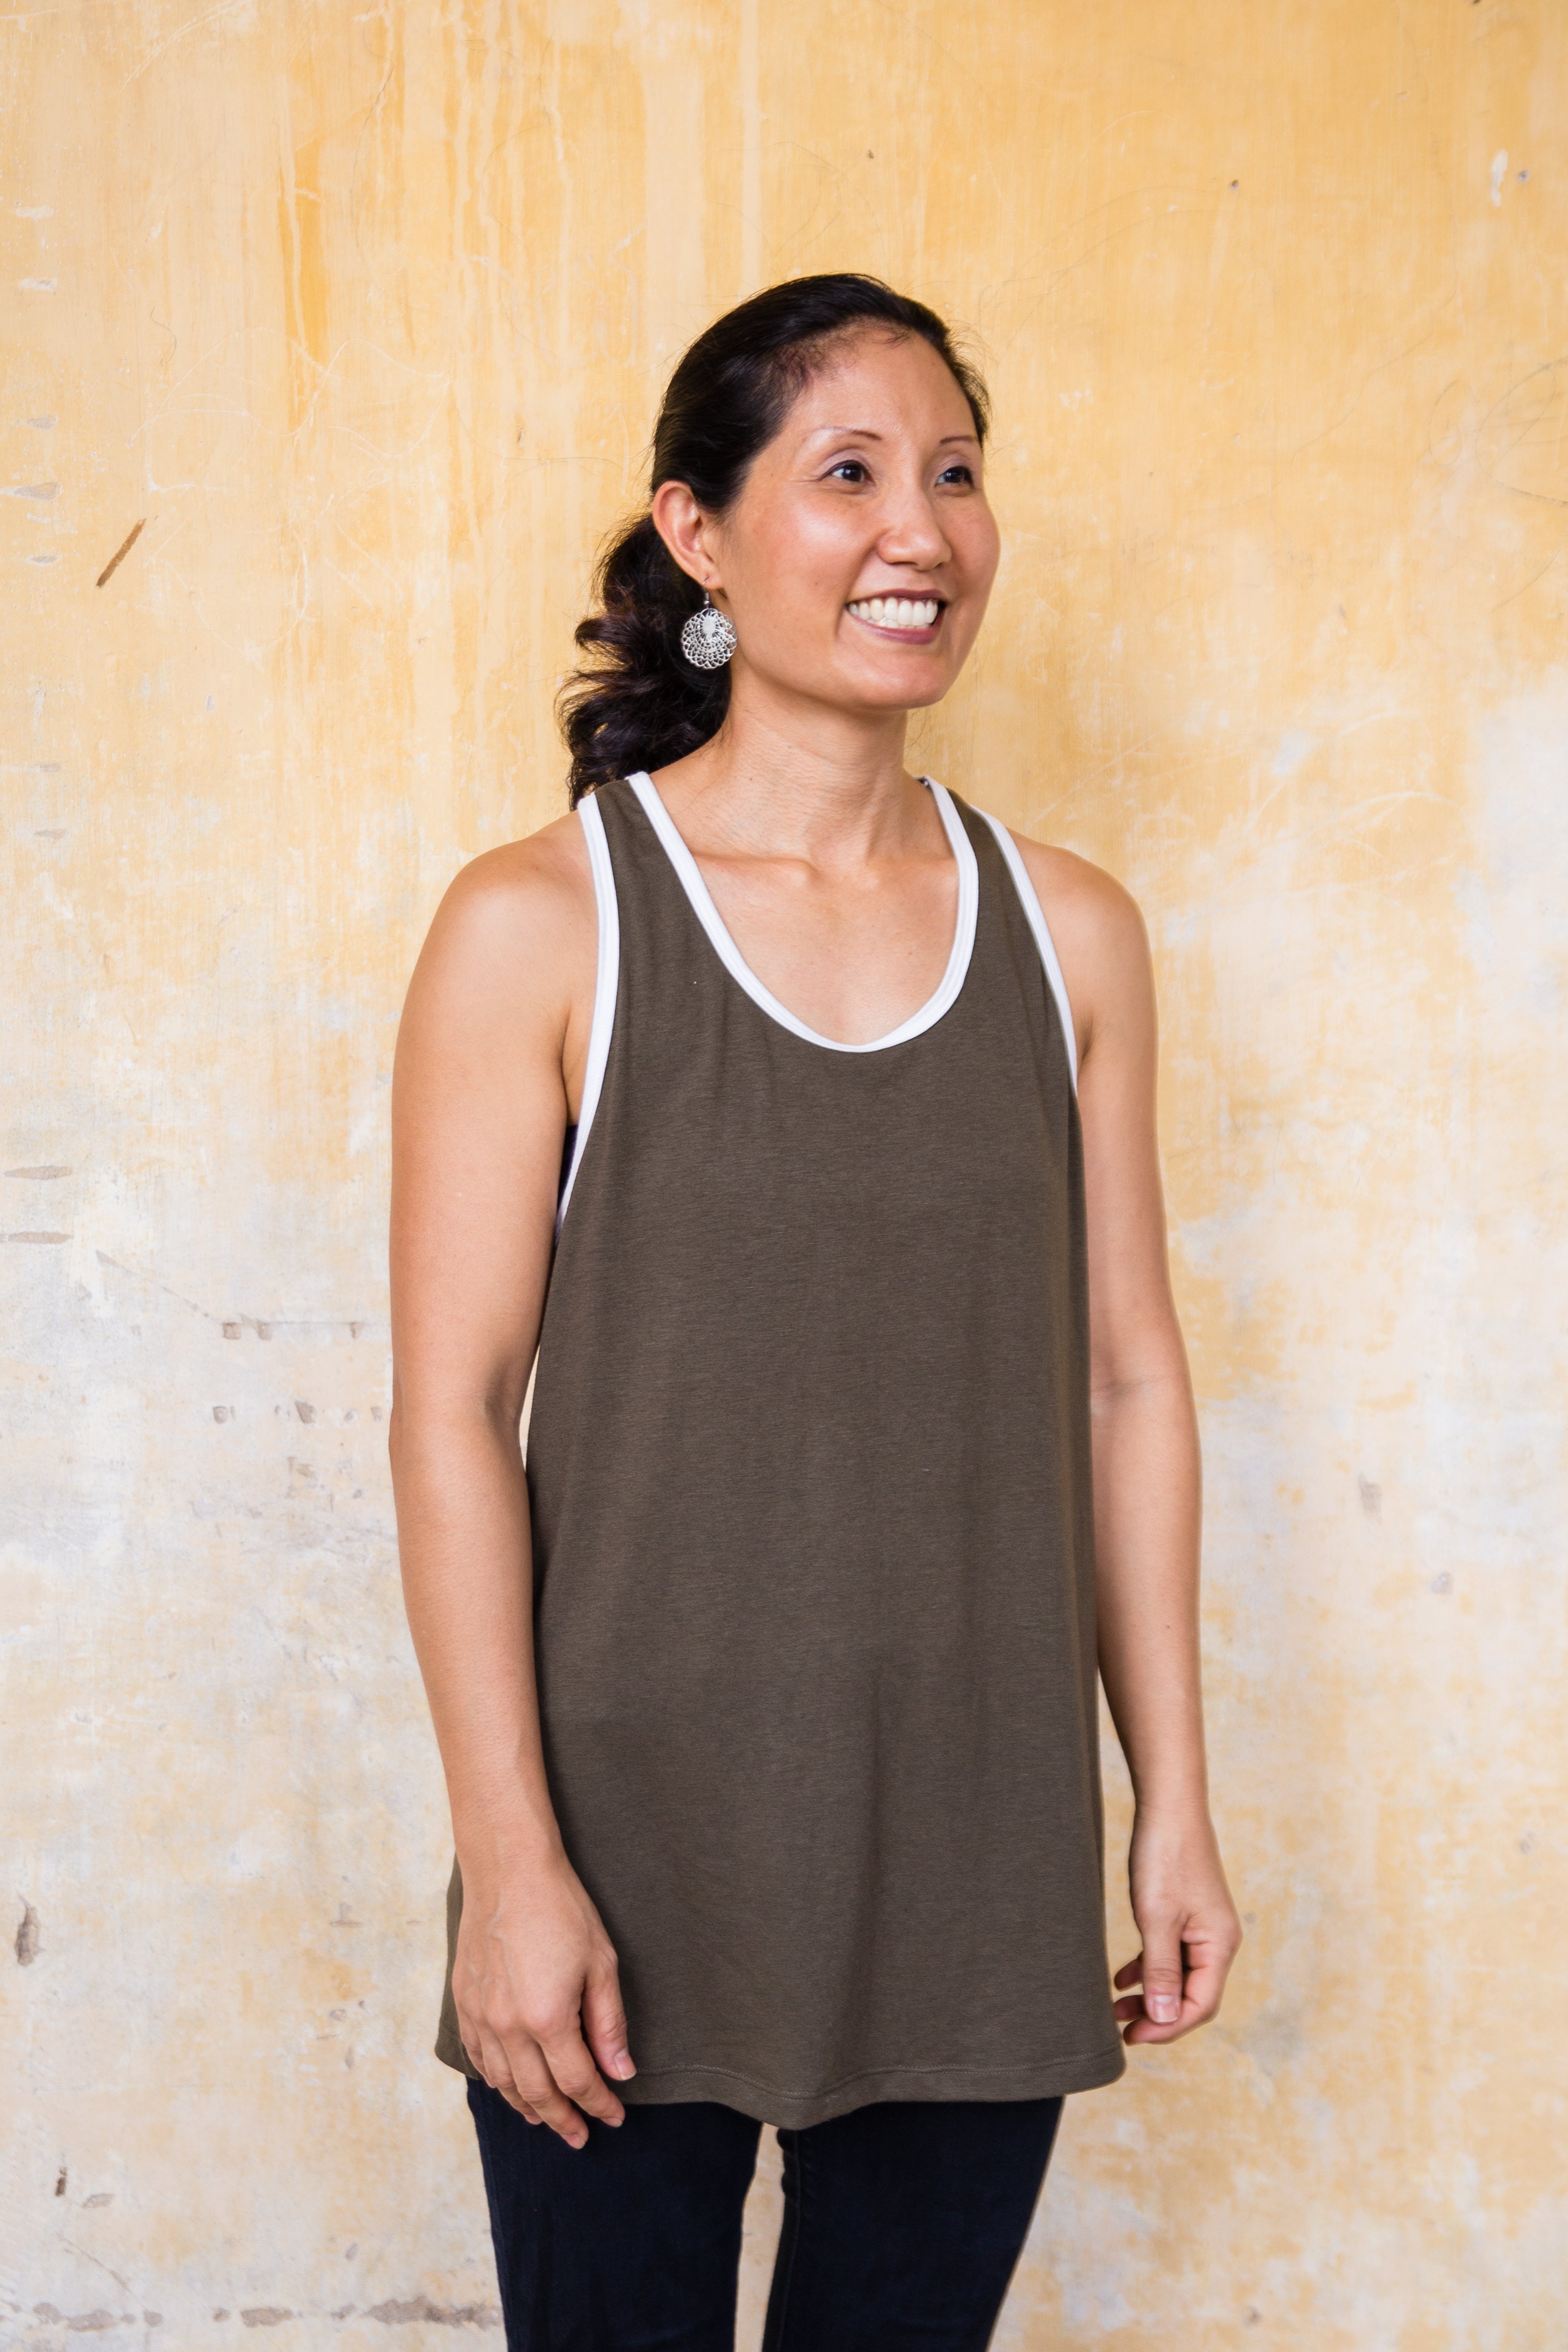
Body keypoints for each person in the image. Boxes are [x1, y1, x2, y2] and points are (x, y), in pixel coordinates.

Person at [388, 272, 1241, 2352]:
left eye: (954, 473)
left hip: (975, 1853)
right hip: (620, 1868)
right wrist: (512, 1869)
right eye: (846, 472)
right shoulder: (541, 921)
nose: (919, 531)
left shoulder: (1071, 934)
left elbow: (1130, 1385)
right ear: (697, 532)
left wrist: (1175, 1810)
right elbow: (444, 1414)